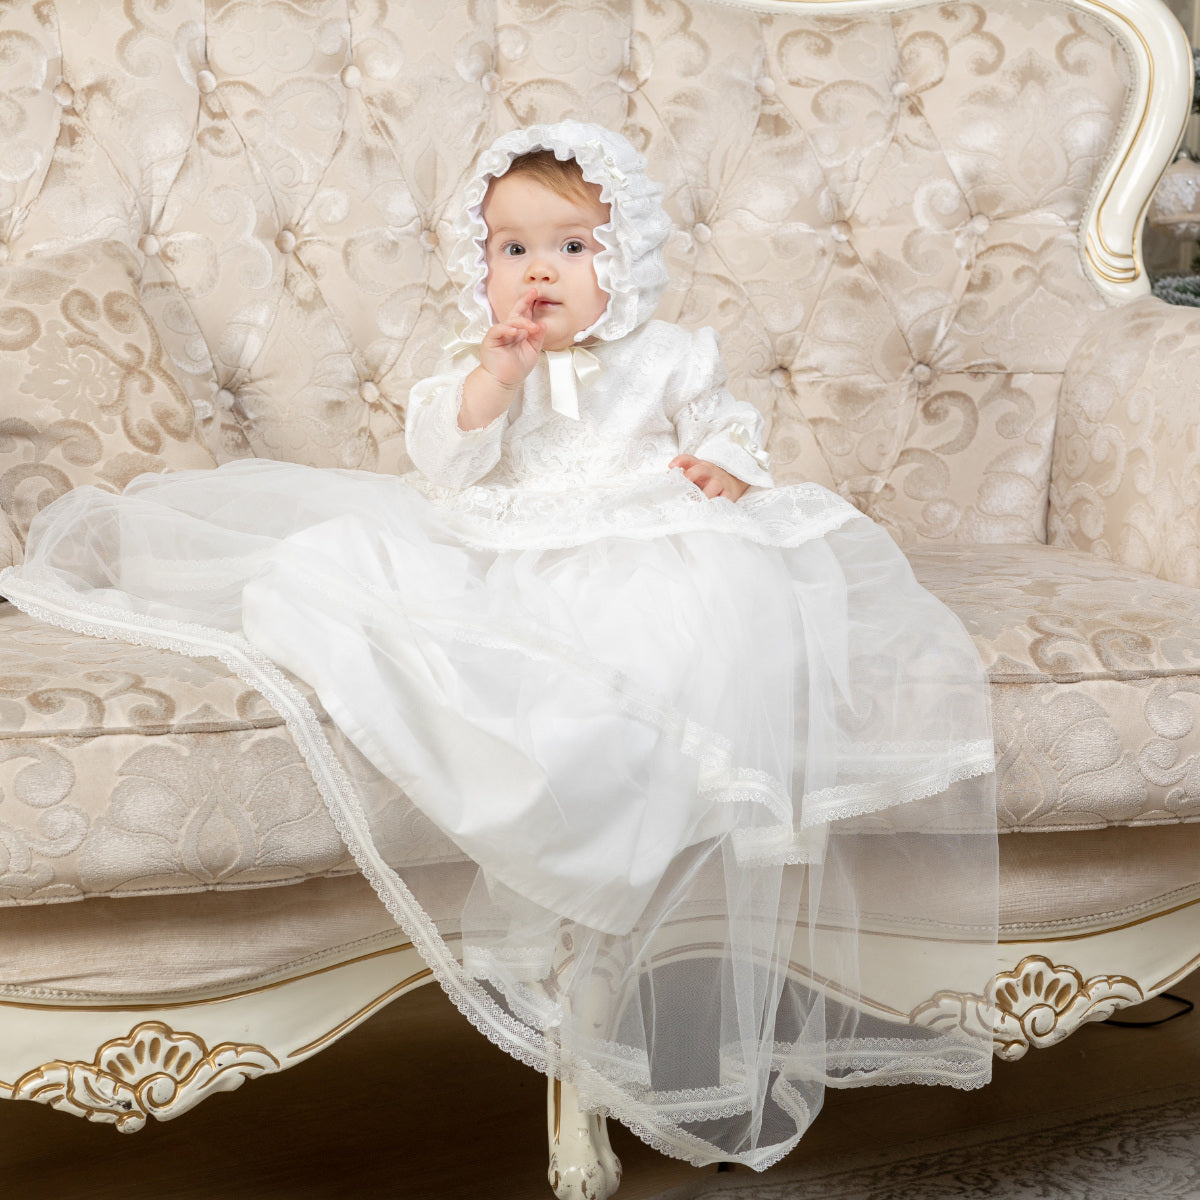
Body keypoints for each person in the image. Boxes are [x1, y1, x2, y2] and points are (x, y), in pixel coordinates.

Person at [0, 120, 998, 1172]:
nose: (539, 271)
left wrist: (721, 472)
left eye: (570, 246)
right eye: (510, 249)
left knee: (674, 646)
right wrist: (497, 378)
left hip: (649, 549)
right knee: (338, 572)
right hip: (504, 550)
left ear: (627, 256)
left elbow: (725, 431)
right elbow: (448, 457)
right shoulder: (483, 357)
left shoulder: (668, 354)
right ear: (479, 265)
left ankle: (598, 909)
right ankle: (556, 885)